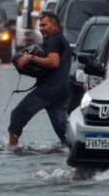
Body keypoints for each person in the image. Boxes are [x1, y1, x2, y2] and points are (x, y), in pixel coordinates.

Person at [8, 11, 71, 146]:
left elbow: (54, 62)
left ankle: (11, 151)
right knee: (63, 130)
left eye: (44, 25)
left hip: (48, 90)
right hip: (62, 91)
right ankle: (77, 149)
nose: (41, 28)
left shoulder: (53, 39)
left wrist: (30, 58)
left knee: (17, 116)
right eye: (40, 26)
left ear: (55, 26)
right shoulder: (61, 39)